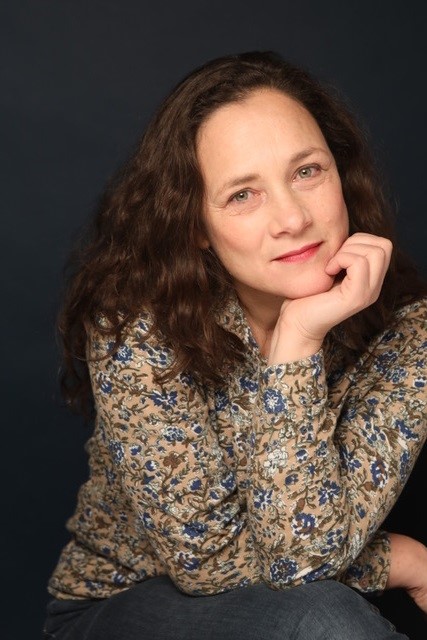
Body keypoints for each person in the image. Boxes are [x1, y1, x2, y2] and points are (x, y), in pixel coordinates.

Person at [43, 51, 427, 639]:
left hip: (312, 605)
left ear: (342, 176)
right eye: (243, 194)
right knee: (326, 618)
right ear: (196, 225)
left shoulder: (409, 330)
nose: (292, 218)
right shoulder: (138, 325)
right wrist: (401, 559)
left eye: (307, 171)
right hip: (120, 606)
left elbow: (304, 556)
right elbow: (210, 564)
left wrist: (298, 336)